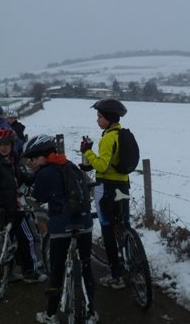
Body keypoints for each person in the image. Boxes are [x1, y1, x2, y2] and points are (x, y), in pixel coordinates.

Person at [23, 135, 97, 324]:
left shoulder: (45, 172)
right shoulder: (70, 165)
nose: (32, 163)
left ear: (44, 156)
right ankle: (91, 312)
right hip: (85, 223)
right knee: (86, 266)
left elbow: (38, 197)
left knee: (57, 269)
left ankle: (50, 315)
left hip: (61, 225)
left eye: (34, 158)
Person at [0, 128, 47, 283]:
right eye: (0, 144)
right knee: (28, 239)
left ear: (12, 144)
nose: (3, 147)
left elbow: (22, 178)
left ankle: (8, 272)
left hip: (4, 208)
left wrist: (36, 172)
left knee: (11, 240)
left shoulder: (13, 160)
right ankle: (30, 272)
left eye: (7, 144)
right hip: (11, 209)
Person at [80, 98, 130, 290]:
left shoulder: (108, 138)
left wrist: (88, 152)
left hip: (105, 187)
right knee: (124, 225)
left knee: (108, 229)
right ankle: (130, 257)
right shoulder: (123, 134)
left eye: (100, 117)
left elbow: (101, 165)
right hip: (123, 186)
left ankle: (116, 275)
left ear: (109, 118)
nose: (97, 120)